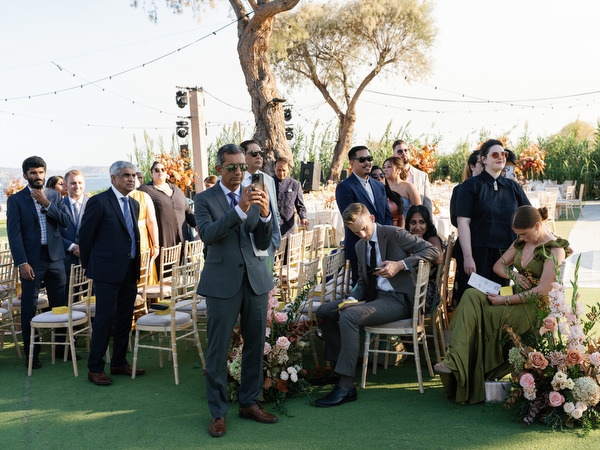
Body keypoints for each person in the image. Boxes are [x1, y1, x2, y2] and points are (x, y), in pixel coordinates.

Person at [434, 205, 570, 404]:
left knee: (487, 314)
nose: (520, 238)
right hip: (515, 296)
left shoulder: (555, 249)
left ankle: (466, 368)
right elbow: (498, 266)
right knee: (471, 295)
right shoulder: (521, 242)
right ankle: (455, 361)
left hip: (533, 308)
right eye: (518, 235)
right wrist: (513, 274)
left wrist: (505, 300)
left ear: (537, 226)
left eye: (523, 234)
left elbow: (542, 290)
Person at [314, 203, 440, 407]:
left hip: (400, 299)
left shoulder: (394, 233)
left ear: (371, 218)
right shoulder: (359, 245)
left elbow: (433, 251)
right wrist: (352, 300)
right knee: (324, 311)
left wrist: (399, 265)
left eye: (364, 228)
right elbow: (363, 283)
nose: (362, 235)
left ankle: (346, 387)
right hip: (376, 298)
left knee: (349, 317)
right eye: (356, 232)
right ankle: (338, 370)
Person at [195, 144, 277, 438]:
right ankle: (218, 413)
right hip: (221, 284)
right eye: (232, 167)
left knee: (255, 346)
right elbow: (208, 235)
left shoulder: (253, 194)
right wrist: (240, 210)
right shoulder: (204, 199)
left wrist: (265, 216)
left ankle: (249, 402)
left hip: (255, 280)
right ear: (218, 169)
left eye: (242, 167)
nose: (239, 172)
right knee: (217, 350)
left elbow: (263, 242)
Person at [79, 161, 145, 386]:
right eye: (126, 175)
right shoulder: (99, 202)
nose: (131, 179)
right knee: (104, 321)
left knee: (125, 319)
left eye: (134, 175)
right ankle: (95, 368)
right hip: (106, 274)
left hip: (129, 271)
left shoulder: (134, 204)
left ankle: (118, 362)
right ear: (113, 178)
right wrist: (91, 267)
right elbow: (86, 238)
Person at [7, 156, 71, 369]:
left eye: (41, 172)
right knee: (29, 307)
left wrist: (47, 204)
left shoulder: (54, 195)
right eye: (33, 173)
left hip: (56, 259)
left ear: (45, 173)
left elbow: (65, 222)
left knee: (60, 305)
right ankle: (31, 354)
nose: (38, 176)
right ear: (26, 176)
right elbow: (14, 236)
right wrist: (22, 263)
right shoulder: (16, 200)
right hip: (32, 262)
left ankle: (63, 349)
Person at [455, 139, 530, 295]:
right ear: (484, 159)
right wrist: (468, 256)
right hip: (477, 254)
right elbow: (462, 223)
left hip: (505, 256)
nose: (500, 157)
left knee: (503, 297)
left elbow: (530, 216)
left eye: (503, 154)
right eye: (495, 154)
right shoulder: (470, 186)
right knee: (476, 298)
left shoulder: (513, 187)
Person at [335, 146, 392, 285]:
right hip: (360, 247)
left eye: (369, 158)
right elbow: (351, 220)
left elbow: (386, 215)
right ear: (351, 163)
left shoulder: (378, 185)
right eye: (362, 159)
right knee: (362, 291)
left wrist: (386, 238)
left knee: (384, 290)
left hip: (383, 248)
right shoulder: (345, 187)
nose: (367, 162)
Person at [138, 161, 196, 272]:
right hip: (163, 239)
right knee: (165, 275)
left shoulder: (176, 190)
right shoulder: (145, 189)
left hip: (182, 239)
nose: (160, 172)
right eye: (156, 170)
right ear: (151, 174)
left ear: (167, 173)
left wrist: (198, 225)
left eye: (163, 170)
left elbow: (188, 211)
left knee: (184, 275)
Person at [449, 150, 483, 303]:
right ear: (472, 166)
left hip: (487, 248)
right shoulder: (461, 190)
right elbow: (455, 221)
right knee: (468, 288)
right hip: (468, 246)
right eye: (482, 163)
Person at [240, 139, 282, 261]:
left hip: (268, 245)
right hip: (245, 246)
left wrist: (273, 238)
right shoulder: (234, 181)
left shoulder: (269, 180)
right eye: (254, 153)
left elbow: (274, 211)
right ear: (242, 156)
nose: (258, 156)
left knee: (267, 279)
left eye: (261, 153)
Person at [405, 205, 444, 313]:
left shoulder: (431, 238)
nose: (417, 227)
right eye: (413, 223)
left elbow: (439, 259)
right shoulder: (407, 238)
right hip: (412, 286)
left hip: (427, 293)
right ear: (408, 224)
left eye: (421, 222)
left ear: (427, 224)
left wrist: (421, 243)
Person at [129, 172, 160, 284]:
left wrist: (156, 244)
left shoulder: (144, 196)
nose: (130, 180)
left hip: (142, 240)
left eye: (133, 177)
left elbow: (152, 222)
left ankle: (146, 298)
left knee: (143, 267)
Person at [392, 139, 432, 210]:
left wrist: (430, 221)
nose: (404, 153)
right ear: (394, 156)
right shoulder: (390, 177)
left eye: (406, 150)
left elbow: (428, 204)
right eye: (400, 152)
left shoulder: (423, 176)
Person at [273, 157, 308, 236]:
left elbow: (300, 206)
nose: (281, 173)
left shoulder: (295, 184)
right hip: (271, 228)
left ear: (288, 169)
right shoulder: (269, 182)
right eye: (279, 170)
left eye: (284, 170)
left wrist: (303, 217)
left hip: (287, 228)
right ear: (274, 168)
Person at [382, 156, 421, 222]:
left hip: (406, 226)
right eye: (384, 167)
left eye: (389, 167)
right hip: (386, 227)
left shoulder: (409, 187)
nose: (385, 170)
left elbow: (418, 211)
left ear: (399, 170)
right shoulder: (382, 187)